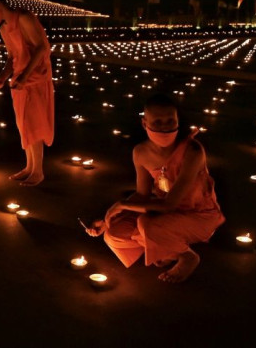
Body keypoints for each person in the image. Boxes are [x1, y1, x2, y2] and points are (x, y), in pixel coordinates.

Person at [86, 93, 225, 283]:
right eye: (157, 122)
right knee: (114, 232)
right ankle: (166, 248)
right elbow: (142, 194)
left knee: (146, 224)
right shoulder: (141, 152)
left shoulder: (192, 150)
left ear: (178, 120)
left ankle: (187, 256)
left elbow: (169, 205)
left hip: (198, 215)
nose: (165, 126)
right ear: (145, 123)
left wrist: (122, 205)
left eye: (170, 120)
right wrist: (107, 219)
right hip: (161, 211)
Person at [0, 0, 54, 186]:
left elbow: (41, 48)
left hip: (35, 79)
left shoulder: (24, 18)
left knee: (34, 123)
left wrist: (25, 76)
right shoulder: (4, 29)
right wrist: (2, 77)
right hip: (19, 80)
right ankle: (29, 166)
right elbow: (12, 57)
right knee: (24, 124)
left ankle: (38, 171)